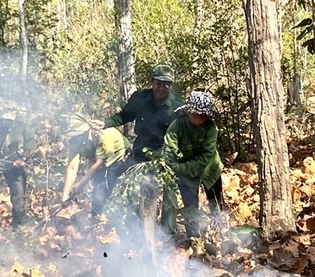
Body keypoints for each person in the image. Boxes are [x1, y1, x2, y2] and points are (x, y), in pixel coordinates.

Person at [162, 91, 223, 238]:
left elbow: (206, 156)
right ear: (190, 112)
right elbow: (169, 149)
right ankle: (194, 238)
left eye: (205, 115)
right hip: (184, 173)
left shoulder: (211, 128)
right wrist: (174, 165)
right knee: (190, 206)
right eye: (199, 114)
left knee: (216, 203)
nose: (203, 118)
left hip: (210, 169)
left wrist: (183, 167)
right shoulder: (177, 126)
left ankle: (221, 233)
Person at [93, 65, 183, 162]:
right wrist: (105, 123)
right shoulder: (140, 98)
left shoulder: (177, 106)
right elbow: (124, 116)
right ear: (152, 82)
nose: (162, 88)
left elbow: (183, 134)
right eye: (159, 83)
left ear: (172, 85)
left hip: (164, 156)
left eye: (166, 84)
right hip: (140, 152)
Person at [0, 105, 35, 229]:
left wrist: (22, 158)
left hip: (13, 160)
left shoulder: (21, 124)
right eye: (4, 120)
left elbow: (30, 141)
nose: (6, 123)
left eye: (9, 121)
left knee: (19, 194)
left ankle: (18, 226)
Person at [62, 114, 131, 215]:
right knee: (97, 196)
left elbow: (99, 164)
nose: (77, 138)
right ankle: (97, 218)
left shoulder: (103, 135)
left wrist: (81, 184)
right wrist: (65, 196)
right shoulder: (75, 142)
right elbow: (72, 167)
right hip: (102, 163)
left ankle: (106, 219)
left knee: (103, 192)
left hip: (119, 159)